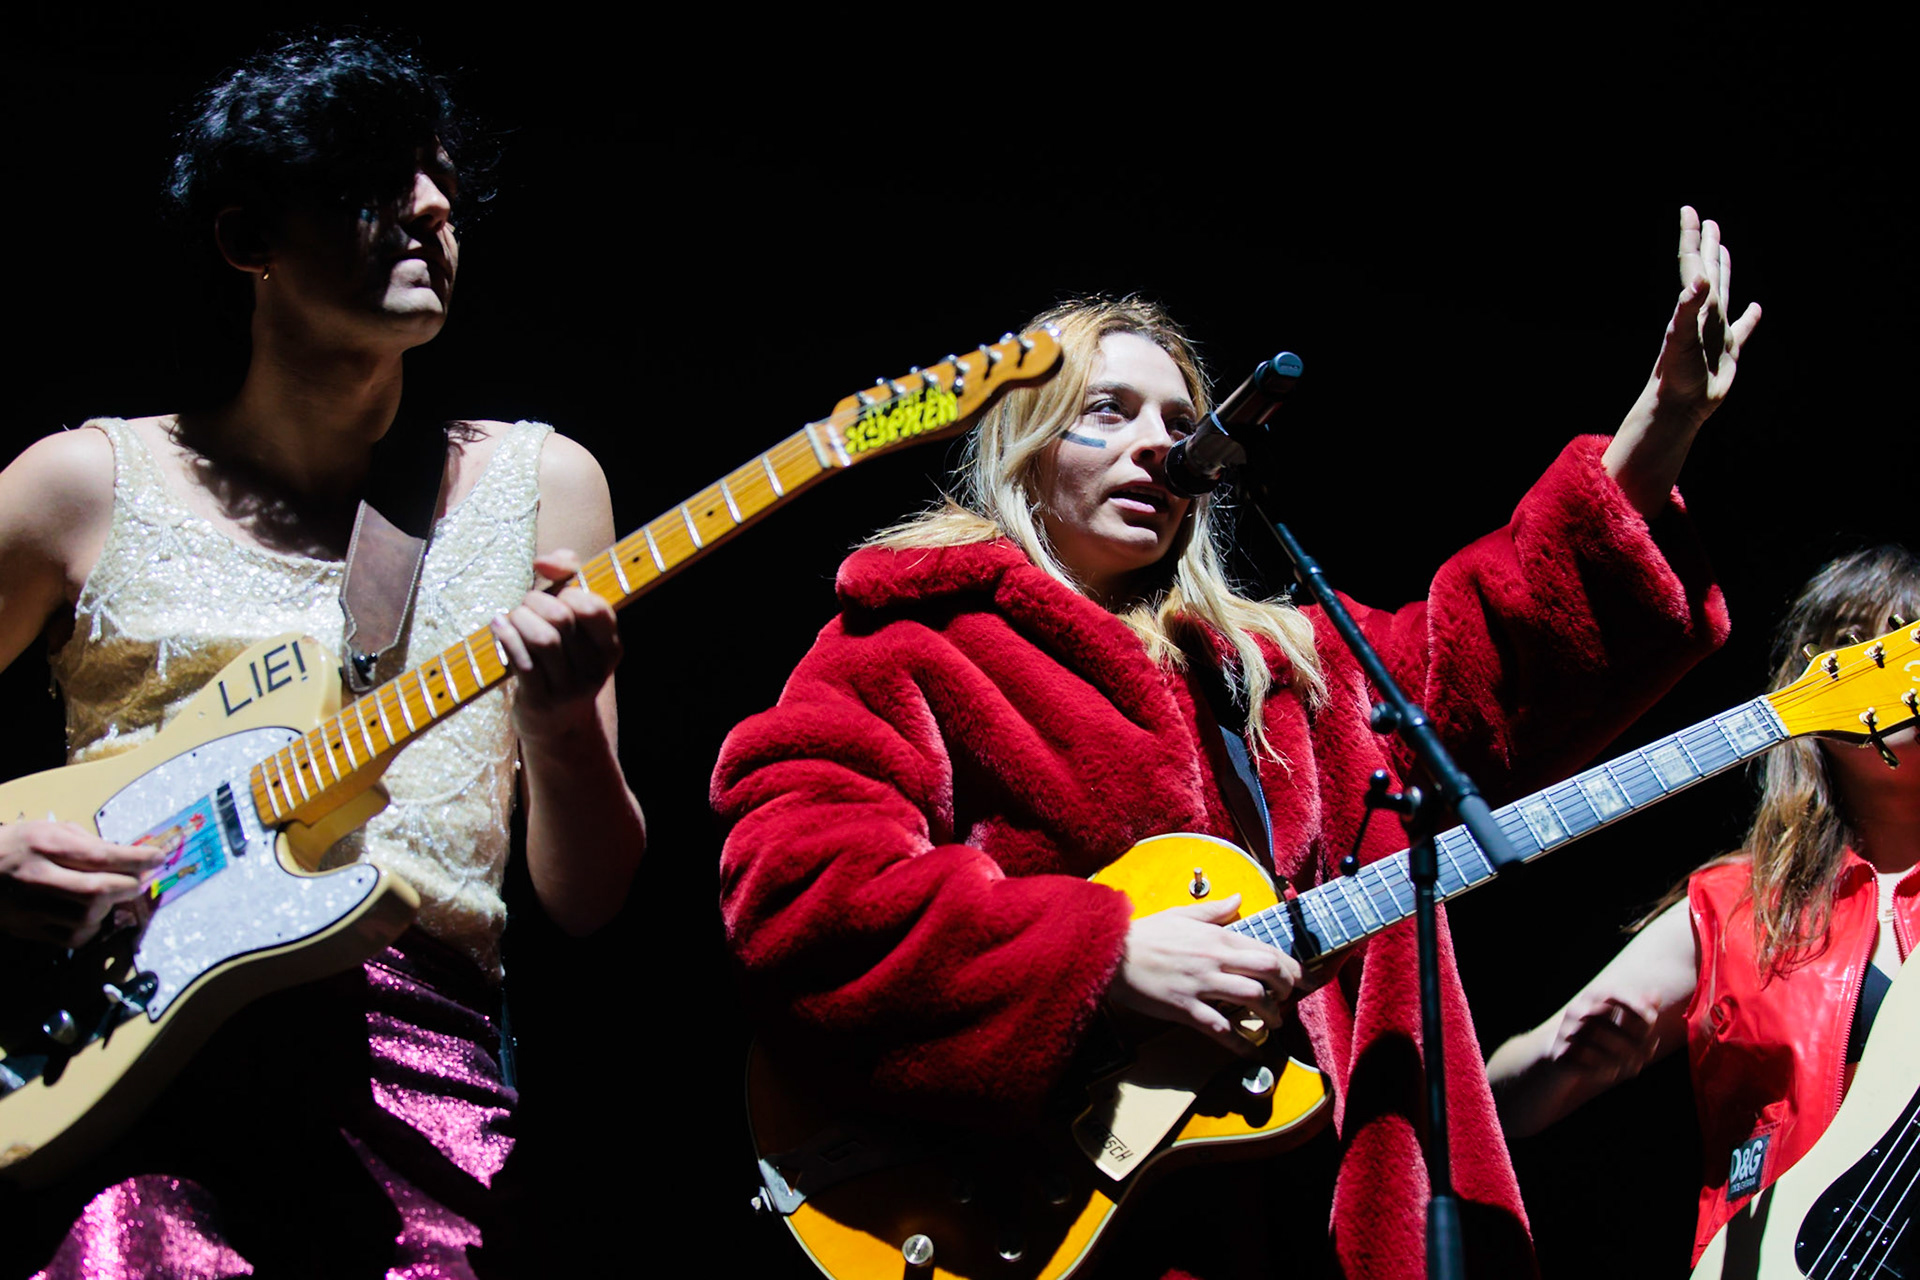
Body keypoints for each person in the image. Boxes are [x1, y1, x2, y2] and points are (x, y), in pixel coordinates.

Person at [713, 207, 1756, 1279]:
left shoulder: (1282, 666)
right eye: (1104, 413)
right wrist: (1097, 953)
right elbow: (804, 890)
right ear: (1023, 448)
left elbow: (1504, 640)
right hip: (1042, 1220)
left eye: (1176, 420)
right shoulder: (908, 643)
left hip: (1322, 1223)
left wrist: (1664, 420)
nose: (1154, 444)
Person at [0, 32, 645, 1279]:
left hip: (424, 1072)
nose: (433, 207)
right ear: (249, 241)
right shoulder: (81, 485)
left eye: (439, 176)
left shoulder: (542, 486)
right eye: (372, 177)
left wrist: (562, 727)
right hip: (128, 1061)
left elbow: (590, 891)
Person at [1486, 544, 1919, 1267]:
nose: (1883, 664)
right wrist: (1565, 1058)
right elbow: (1507, 1099)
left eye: (1909, 636)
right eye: (1853, 645)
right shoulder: (1731, 906)